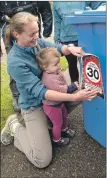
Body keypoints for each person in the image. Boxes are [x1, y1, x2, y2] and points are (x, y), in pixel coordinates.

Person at [1, 12, 98, 169]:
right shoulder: (15, 62)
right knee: (42, 159)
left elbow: (56, 48)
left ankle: (48, 123)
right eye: (32, 34)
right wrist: (74, 96)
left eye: (37, 31)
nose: (37, 36)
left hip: (51, 101)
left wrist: (70, 49)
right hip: (34, 106)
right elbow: (41, 92)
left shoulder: (37, 42)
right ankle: (15, 126)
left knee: (85, 91)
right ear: (16, 34)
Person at [0, 1, 53, 112]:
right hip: (12, 34)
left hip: (30, 28)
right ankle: (18, 97)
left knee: (39, 62)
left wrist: (46, 30)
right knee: (17, 67)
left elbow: (45, 7)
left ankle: (44, 91)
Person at [53, 1, 105, 82]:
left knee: (87, 63)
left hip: (83, 37)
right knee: (72, 65)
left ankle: (88, 85)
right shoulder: (56, 3)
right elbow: (57, 22)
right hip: (67, 40)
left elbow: (99, 4)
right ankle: (76, 86)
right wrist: (57, 40)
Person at [36, 47, 79, 146]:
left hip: (59, 103)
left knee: (64, 116)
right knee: (57, 123)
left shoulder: (54, 71)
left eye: (59, 62)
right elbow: (63, 89)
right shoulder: (49, 79)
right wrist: (74, 86)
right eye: (55, 64)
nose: (59, 65)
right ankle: (57, 139)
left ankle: (64, 129)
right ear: (45, 66)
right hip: (52, 106)